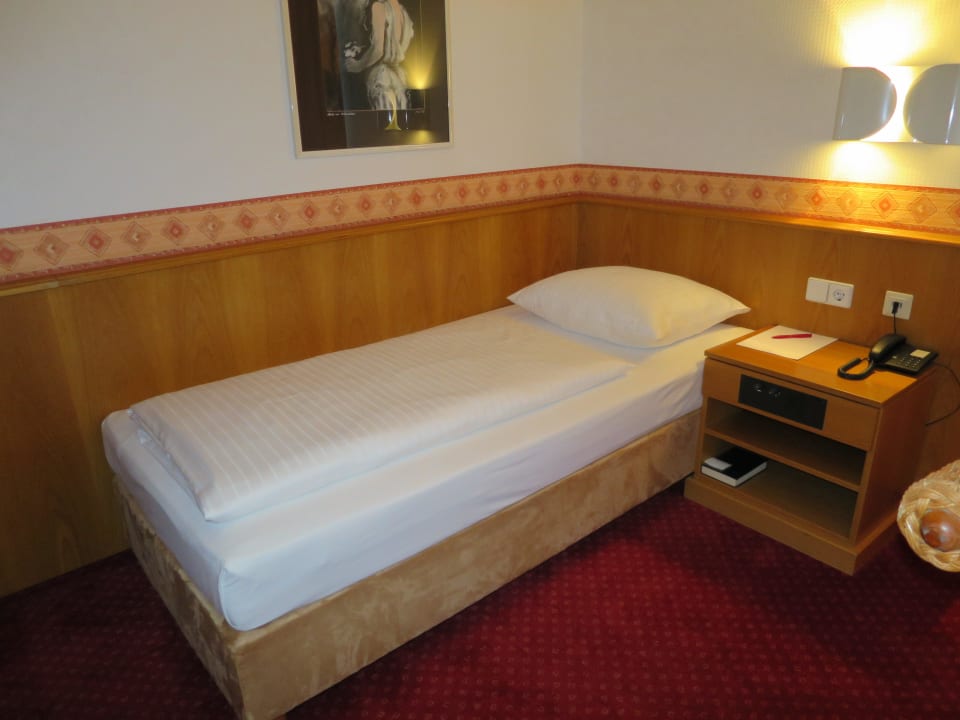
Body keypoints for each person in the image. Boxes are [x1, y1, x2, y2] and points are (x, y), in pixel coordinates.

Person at [343, 0, 414, 115]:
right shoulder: (403, 13)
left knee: (381, 121)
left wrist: (357, 65)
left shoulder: (379, 7)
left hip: (380, 78)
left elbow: (378, 50)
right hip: (399, 79)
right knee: (398, 122)